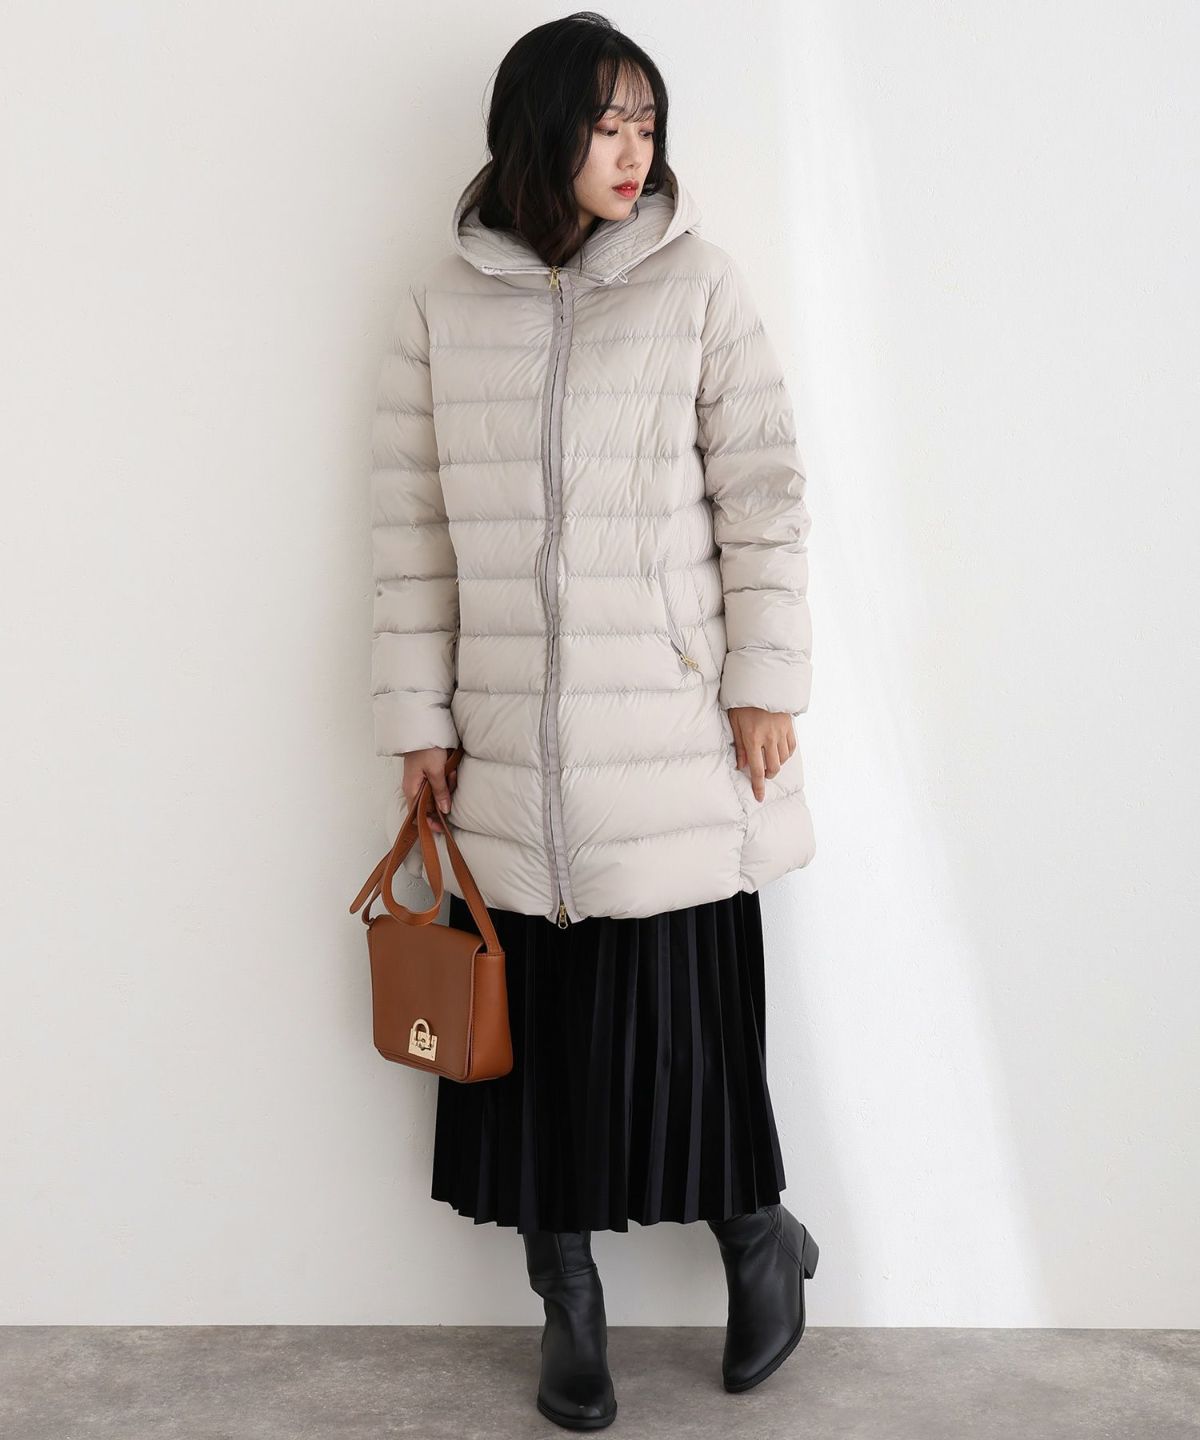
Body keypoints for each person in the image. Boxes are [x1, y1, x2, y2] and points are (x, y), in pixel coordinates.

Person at [369, 12, 818, 1430]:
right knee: (529, 1053)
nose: (634, 153)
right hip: (506, 754)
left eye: (648, 126)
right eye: (607, 125)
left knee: (691, 1035)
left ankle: (761, 1240)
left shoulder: (698, 285)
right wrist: (418, 717)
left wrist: (765, 682)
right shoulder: (438, 308)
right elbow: (412, 536)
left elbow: (765, 494)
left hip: (671, 738)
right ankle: (567, 1303)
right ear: (539, 131)